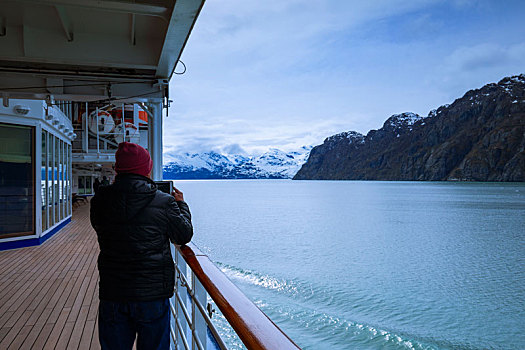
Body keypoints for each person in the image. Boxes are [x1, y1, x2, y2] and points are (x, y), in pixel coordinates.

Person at [90, 142, 193, 350]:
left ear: (118, 169)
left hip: (113, 292)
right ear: (147, 169)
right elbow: (184, 235)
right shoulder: (164, 202)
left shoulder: (100, 201)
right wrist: (181, 204)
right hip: (152, 295)